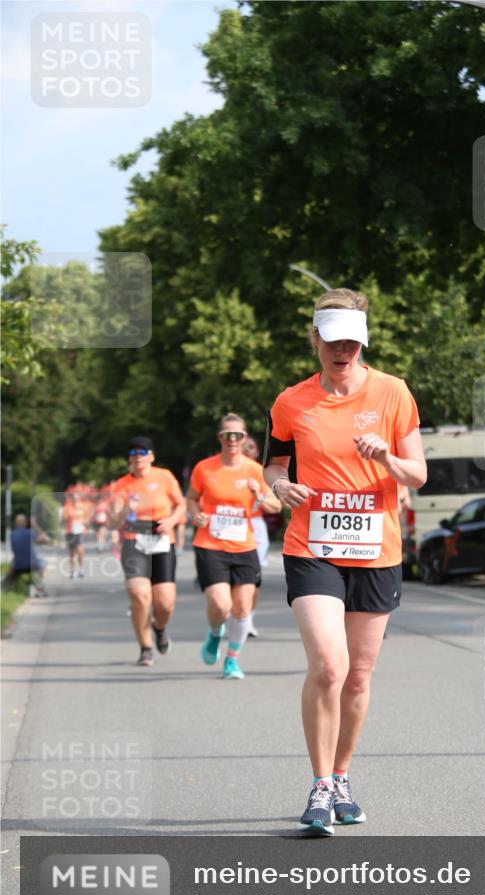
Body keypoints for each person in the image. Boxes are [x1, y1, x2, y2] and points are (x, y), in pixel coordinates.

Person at [264, 287, 426, 835]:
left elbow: (418, 475)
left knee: (358, 676)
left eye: (353, 342)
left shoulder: (393, 393)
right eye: (334, 341)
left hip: (375, 551)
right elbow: (274, 467)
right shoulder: (291, 402)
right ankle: (318, 787)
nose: (344, 352)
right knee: (329, 666)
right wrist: (280, 486)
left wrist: (389, 458)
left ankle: (342, 775)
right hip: (312, 546)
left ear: (364, 342)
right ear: (315, 339)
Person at [187, 413, 280, 679]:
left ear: (244, 438)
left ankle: (232, 661)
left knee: (242, 607)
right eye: (227, 435)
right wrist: (196, 514)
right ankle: (215, 633)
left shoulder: (254, 470)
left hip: (244, 546)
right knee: (220, 605)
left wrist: (259, 494)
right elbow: (191, 499)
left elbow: (276, 505)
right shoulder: (204, 468)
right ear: (220, 438)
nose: (232, 440)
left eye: (237, 435)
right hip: (210, 544)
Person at [109, 437, 186, 667]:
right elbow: (113, 523)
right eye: (133, 453)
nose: (138, 456)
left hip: (162, 541)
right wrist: (124, 510)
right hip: (134, 543)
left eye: (143, 452)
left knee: (164, 603)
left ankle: (159, 628)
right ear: (129, 458)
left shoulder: (164, 477)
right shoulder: (121, 485)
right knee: (140, 598)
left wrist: (172, 521)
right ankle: (145, 647)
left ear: (151, 456)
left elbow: (181, 504)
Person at [241, 435, 272, 637]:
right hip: (230, 528)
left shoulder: (262, 473)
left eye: (251, 447)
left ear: (257, 452)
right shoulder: (227, 469)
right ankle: (235, 613)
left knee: (254, 577)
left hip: (255, 527)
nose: (246, 450)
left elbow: (274, 505)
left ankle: (248, 619)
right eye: (244, 447)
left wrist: (258, 495)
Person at [5, 514, 48, 595]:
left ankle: (6, 588)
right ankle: (39, 585)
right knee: (43, 563)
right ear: (26, 523)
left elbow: (16, 551)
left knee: (11, 570)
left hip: (18, 566)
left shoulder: (12, 535)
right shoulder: (30, 533)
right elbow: (46, 539)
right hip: (33, 565)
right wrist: (35, 525)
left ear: (15, 524)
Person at [62, 491, 87, 578]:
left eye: (77, 498)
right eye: (74, 498)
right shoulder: (67, 507)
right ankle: (72, 570)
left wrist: (83, 523)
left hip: (79, 531)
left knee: (80, 550)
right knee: (72, 553)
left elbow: (86, 518)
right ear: (71, 499)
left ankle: (81, 569)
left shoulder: (82, 507)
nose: (75, 500)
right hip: (70, 532)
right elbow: (64, 518)